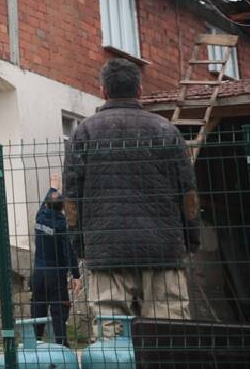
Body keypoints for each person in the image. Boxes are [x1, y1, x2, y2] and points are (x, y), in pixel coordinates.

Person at [63, 58, 199, 337]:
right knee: (170, 335)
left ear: (102, 90)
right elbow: (188, 195)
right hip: (163, 249)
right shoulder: (166, 131)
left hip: (107, 249)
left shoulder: (84, 133)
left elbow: (71, 199)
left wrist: (82, 246)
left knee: (113, 341)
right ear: (139, 91)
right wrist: (190, 239)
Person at [30, 174, 80, 345]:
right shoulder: (61, 226)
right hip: (55, 275)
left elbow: (45, 204)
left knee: (38, 308)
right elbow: (69, 252)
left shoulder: (39, 216)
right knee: (59, 309)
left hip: (38, 273)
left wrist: (52, 187)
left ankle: (35, 341)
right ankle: (61, 343)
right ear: (62, 209)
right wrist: (76, 275)